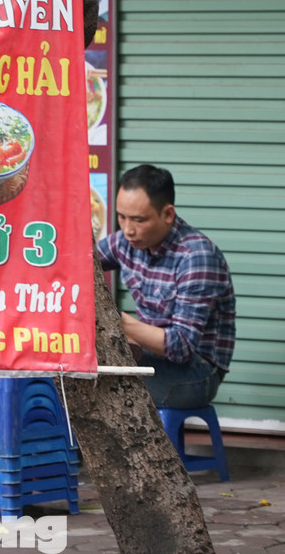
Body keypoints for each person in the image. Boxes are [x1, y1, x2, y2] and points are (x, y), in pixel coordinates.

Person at [95, 165, 236, 409]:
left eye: (139, 220)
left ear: (168, 214)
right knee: (78, 377)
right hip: (151, 359)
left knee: (103, 392)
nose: (128, 229)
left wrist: (115, 319)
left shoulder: (195, 257)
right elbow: (76, 264)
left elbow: (180, 347)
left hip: (197, 372)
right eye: (121, 217)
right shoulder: (126, 243)